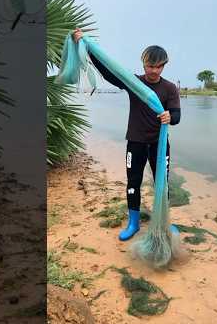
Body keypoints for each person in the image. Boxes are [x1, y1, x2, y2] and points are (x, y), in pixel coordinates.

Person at [72, 28, 181, 241]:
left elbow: (177, 115)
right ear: (143, 63)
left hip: (159, 145)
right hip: (136, 142)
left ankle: (164, 221)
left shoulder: (169, 88)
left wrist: (170, 116)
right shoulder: (134, 83)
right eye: (150, 66)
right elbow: (108, 72)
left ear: (164, 65)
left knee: (163, 183)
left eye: (159, 66)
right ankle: (133, 223)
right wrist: (87, 46)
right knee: (133, 182)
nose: (154, 71)